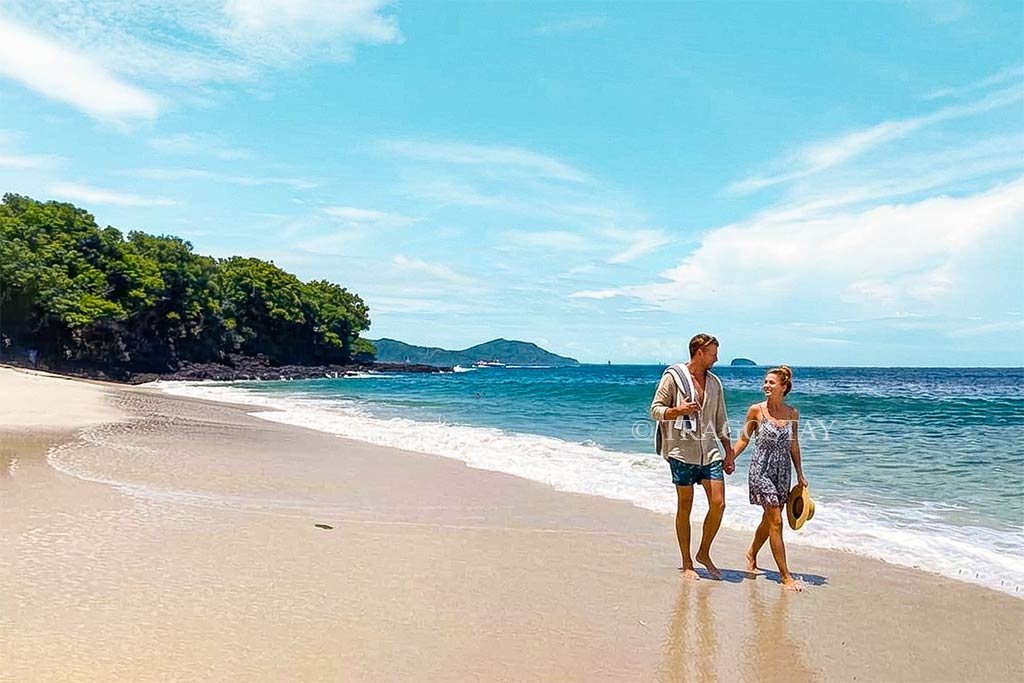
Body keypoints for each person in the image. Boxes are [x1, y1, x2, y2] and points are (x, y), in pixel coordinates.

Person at [650, 333, 733, 580]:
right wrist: (678, 410)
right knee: (685, 507)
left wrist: (729, 452)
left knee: (718, 504)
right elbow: (655, 410)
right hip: (681, 452)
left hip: (710, 451)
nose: (716, 358)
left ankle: (704, 553)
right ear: (699, 353)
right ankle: (687, 563)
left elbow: (721, 420)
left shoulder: (715, 383)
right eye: (713, 353)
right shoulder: (673, 377)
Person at [724, 366, 808, 591]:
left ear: (784, 387)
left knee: (770, 518)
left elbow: (794, 444)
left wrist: (799, 472)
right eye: (765, 382)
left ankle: (751, 552)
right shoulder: (756, 411)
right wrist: (730, 458)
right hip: (761, 470)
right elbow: (744, 439)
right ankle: (785, 576)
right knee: (777, 522)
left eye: (771, 382)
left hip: (783, 473)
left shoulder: (792, 413)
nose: (766, 386)